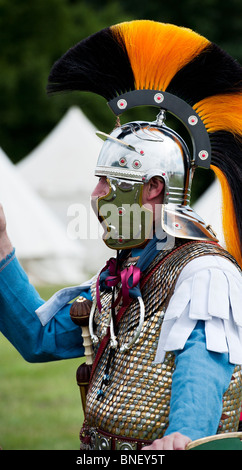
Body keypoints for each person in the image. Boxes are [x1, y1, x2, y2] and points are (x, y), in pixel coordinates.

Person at [1, 20, 242, 451]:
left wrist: (185, 434)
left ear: (154, 187)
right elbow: (37, 339)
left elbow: (203, 367)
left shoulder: (205, 273)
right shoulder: (129, 271)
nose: (95, 198)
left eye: (110, 183)